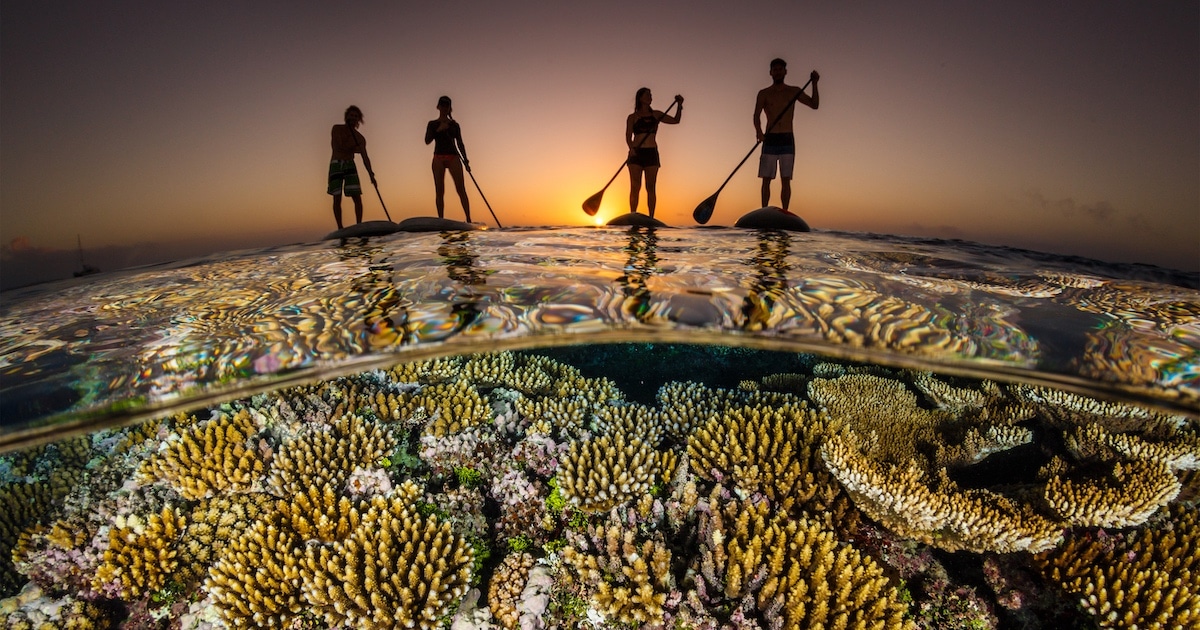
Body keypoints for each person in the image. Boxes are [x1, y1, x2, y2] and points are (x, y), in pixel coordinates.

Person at [754, 58, 819, 212]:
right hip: (770, 139)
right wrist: (759, 132)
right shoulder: (764, 93)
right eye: (775, 69)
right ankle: (764, 211)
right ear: (770, 72)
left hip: (787, 139)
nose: (777, 72)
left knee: (786, 180)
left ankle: (784, 211)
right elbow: (756, 115)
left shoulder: (793, 91)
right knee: (766, 180)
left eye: (780, 69)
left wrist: (815, 83)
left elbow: (814, 105)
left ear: (785, 72)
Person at [626, 88, 683, 217]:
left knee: (650, 187)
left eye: (651, 95)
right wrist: (631, 149)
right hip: (636, 153)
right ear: (640, 98)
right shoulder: (632, 117)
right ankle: (633, 215)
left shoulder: (656, 114)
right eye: (647, 95)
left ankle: (651, 217)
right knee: (635, 187)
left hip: (651, 153)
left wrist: (679, 105)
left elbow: (675, 120)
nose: (650, 97)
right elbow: (628, 136)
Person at [328, 105, 375, 229]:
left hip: (350, 164)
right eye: (351, 115)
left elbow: (365, 157)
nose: (353, 118)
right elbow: (338, 146)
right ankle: (340, 227)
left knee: (357, 196)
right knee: (337, 197)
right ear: (346, 117)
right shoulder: (337, 129)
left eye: (355, 116)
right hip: (336, 163)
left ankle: (359, 225)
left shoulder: (360, 138)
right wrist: (354, 148)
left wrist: (371, 174)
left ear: (358, 119)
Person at [425, 96, 472, 222]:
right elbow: (427, 141)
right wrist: (438, 130)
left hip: (453, 157)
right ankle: (440, 220)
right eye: (442, 105)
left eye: (447, 105)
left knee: (461, 189)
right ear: (438, 106)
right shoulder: (432, 124)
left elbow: (460, 144)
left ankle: (468, 219)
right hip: (438, 158)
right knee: (439, 191)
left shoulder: (454, 125)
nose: (444, 107)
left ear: (450, 108)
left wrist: (466, 161)